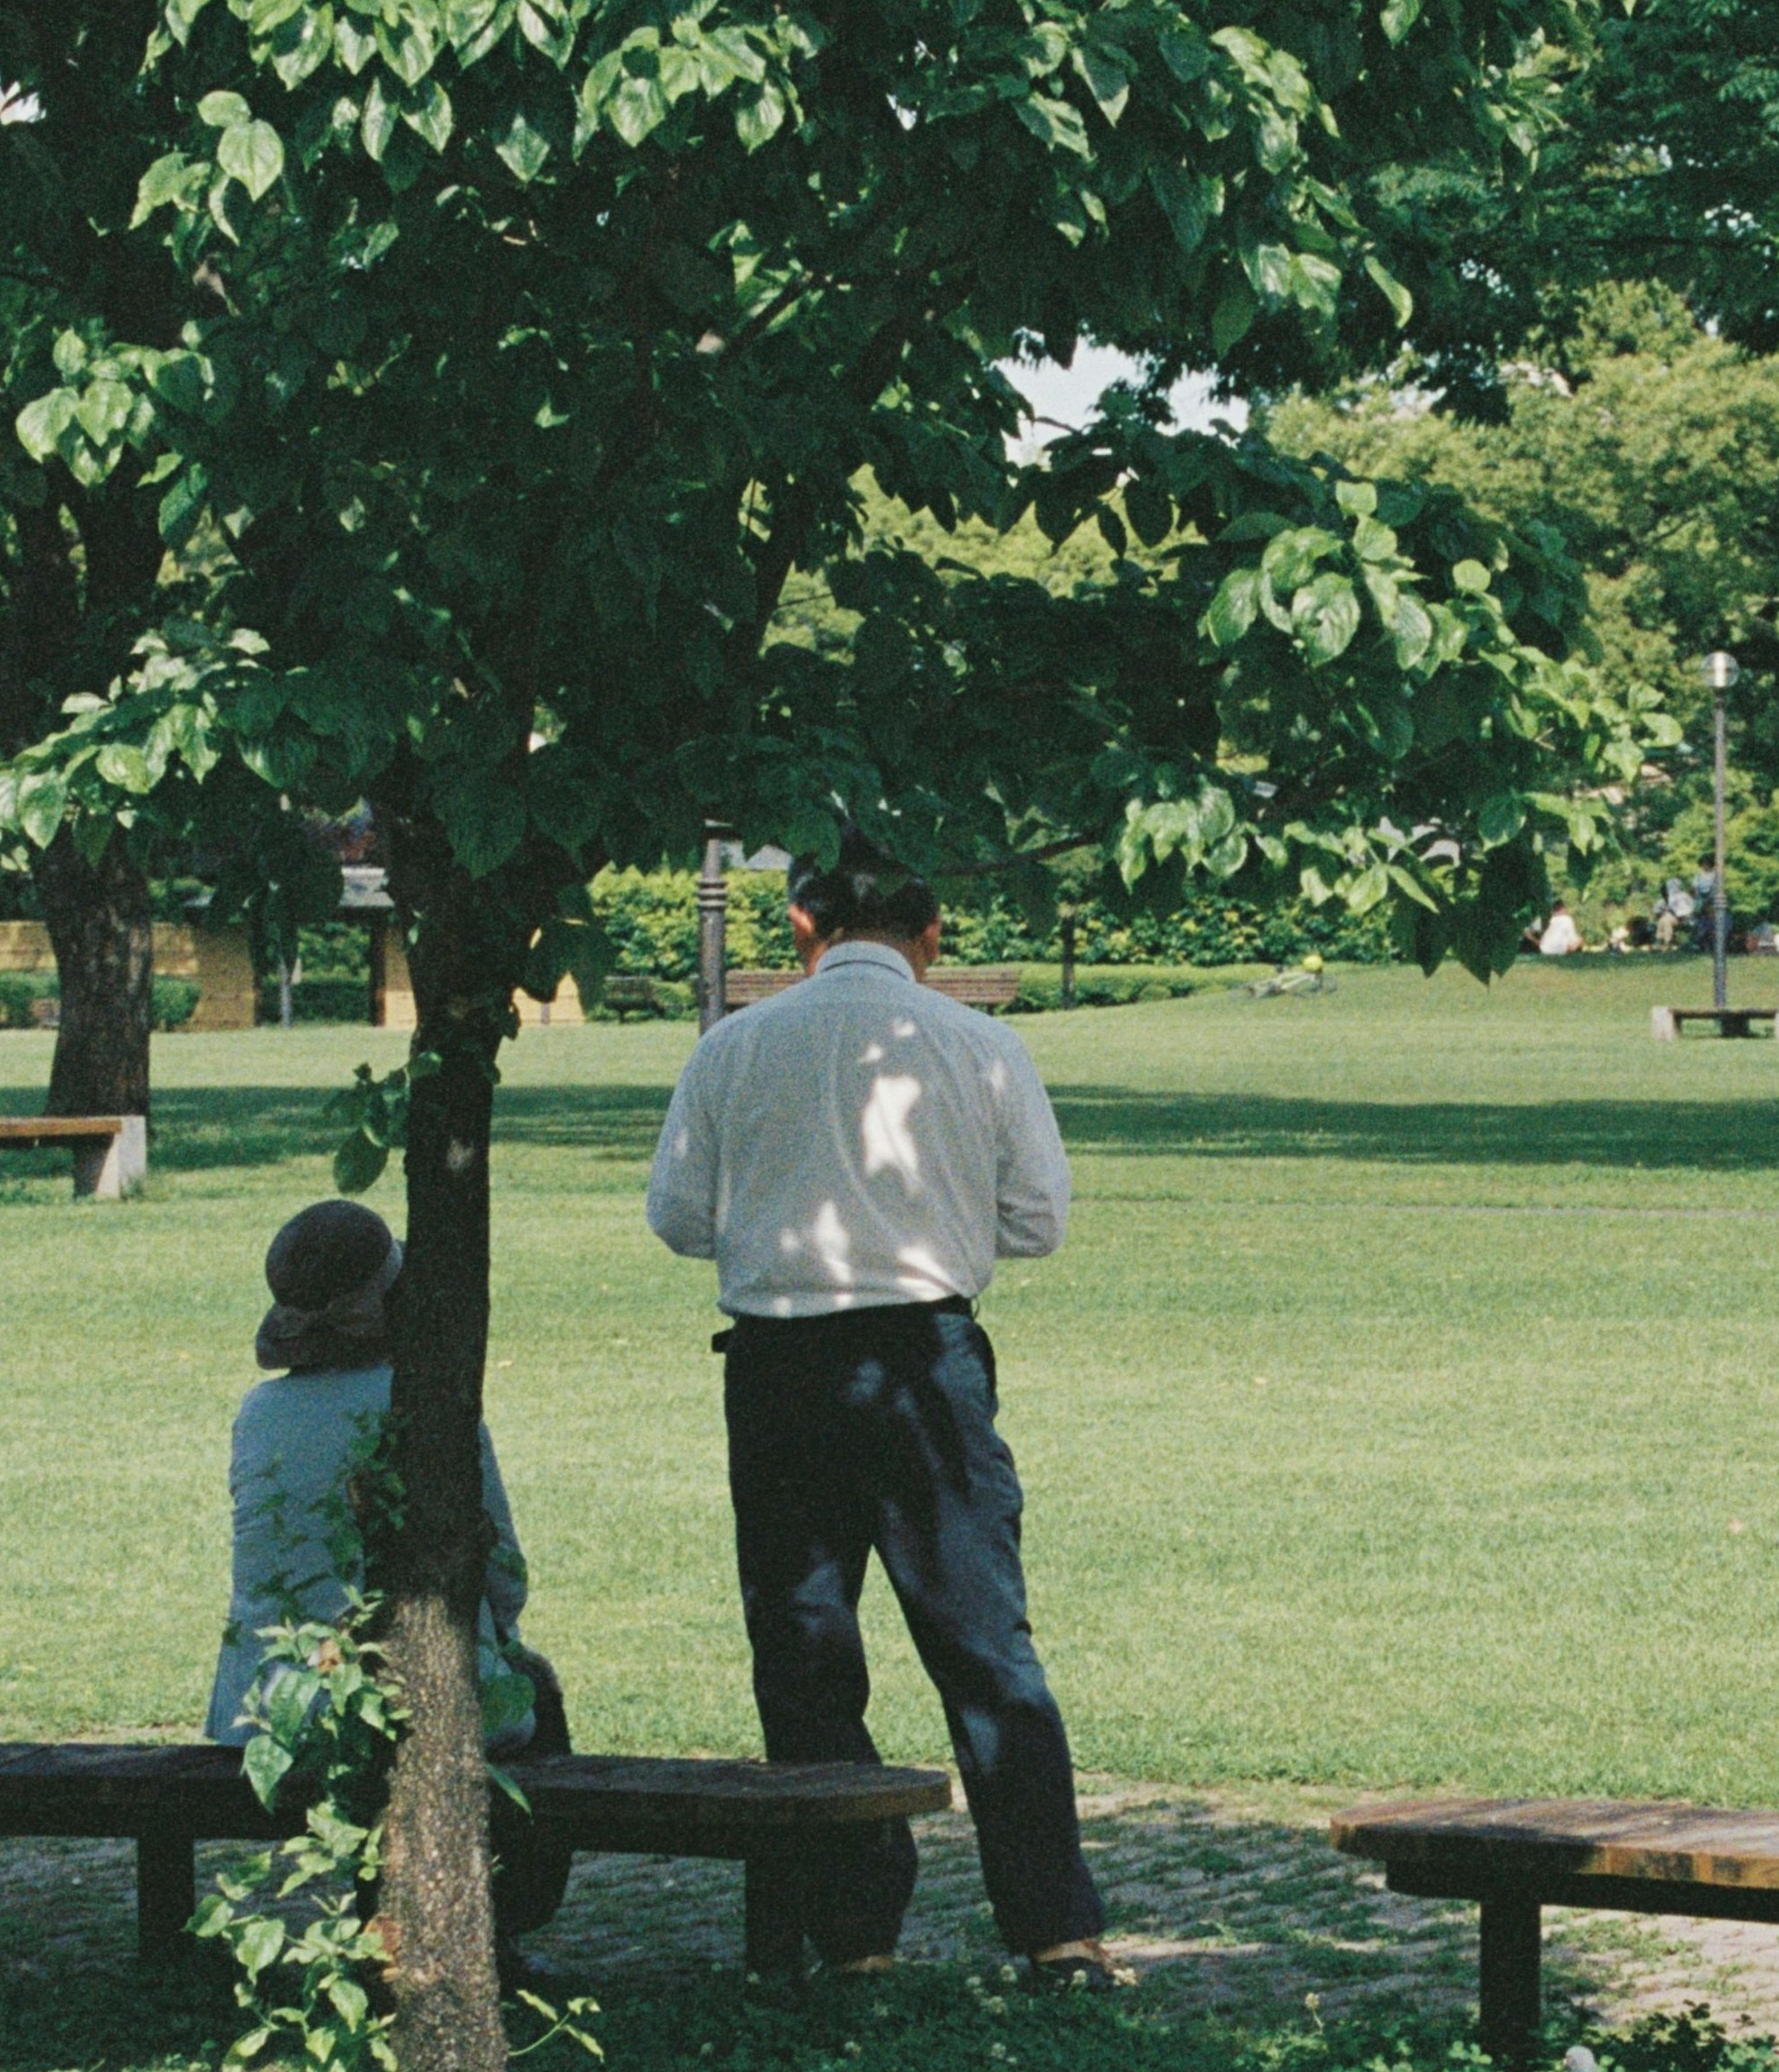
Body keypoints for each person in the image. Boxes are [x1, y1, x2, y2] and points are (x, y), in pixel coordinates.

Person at [644, 848, 1114, 1988]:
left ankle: (851, 1928)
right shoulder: (982, 1047)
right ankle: (1055, 1929)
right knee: (984, 1642)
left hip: (777, 1363)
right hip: (924, 1357)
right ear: (933, 935)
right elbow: (1038, 1220)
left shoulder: (735, 1046)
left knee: (804, 1648)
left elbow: (678, 1217)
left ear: (801, 925)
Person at [210, 1202, 573, 1945]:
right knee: (530, 1690)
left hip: (269, 1701)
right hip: (402, 1693)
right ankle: (502, 1924)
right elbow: (503, 1577)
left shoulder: (259, 1413)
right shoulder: (427, 1409)